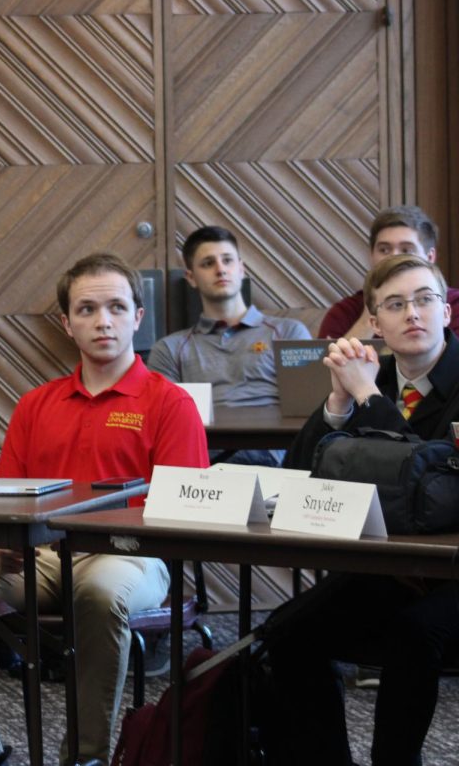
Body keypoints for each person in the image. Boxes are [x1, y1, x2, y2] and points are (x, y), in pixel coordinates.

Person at [0, 253, 209, 765]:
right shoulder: (36, 404)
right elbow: (12, 497)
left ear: (138, 316)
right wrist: (4, 539)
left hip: (131, 556)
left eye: (115, 307)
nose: (102, 320)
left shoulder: (168, 403)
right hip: (41, 555)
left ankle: (82, 757)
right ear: (67, 323)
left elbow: (180, 509)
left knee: (98, 592)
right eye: (87, 309)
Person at [275, 254, 459, 765]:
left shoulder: (375, 385)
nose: (413, 314)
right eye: (395, 305)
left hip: (452, 572)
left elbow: (429, 479)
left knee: (412, 634)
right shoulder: (367, 380)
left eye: (425, 300)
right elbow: (295, 474)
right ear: (375, 324)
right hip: (389, 567)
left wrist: (367, 396)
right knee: (286, 635)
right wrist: (337, 404)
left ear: (446, 311)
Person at [147, 225, 310, 465]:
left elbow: (307, 409)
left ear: (241, 269)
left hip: (281, 462)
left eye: (227, 260)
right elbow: (165, 424)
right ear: (191, 277)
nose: (220, 269)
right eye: (208, 263)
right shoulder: (169, 349)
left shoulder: (288, 333)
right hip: (204, 464)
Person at [319, 205, 459, 339]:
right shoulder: (344, 313)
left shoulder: (456, 305)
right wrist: (373, 309)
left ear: (429, 257)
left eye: (406, 250)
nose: (394, 257)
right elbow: (326, 363)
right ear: (372, 256)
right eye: (384, 250)